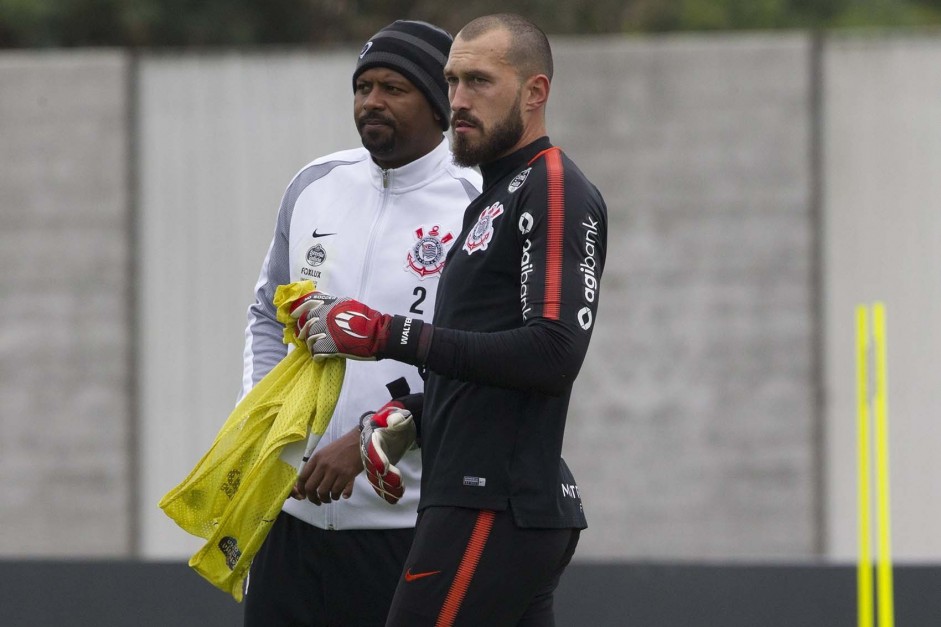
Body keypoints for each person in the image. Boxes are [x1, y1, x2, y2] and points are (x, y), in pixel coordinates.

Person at [291, 13, 608, 627]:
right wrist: (410, 412)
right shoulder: (492, 195)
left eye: (480, 82)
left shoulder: (554, 187)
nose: (458, 100)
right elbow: (485, 354)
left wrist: (390, 333)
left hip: (491, 502)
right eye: (452, 81)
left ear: (535, 92)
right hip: (473, 498)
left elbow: (553, 353)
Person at [239, 20, 482, 627]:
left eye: (393, 87)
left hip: (406, 528)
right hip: (289, 520)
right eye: (363, 86)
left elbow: (483, 364)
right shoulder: (316, 184)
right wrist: (268, 429)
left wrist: (378, 440)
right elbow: (269, 316)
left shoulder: (476, 202)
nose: (371, 101)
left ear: (437, 104)